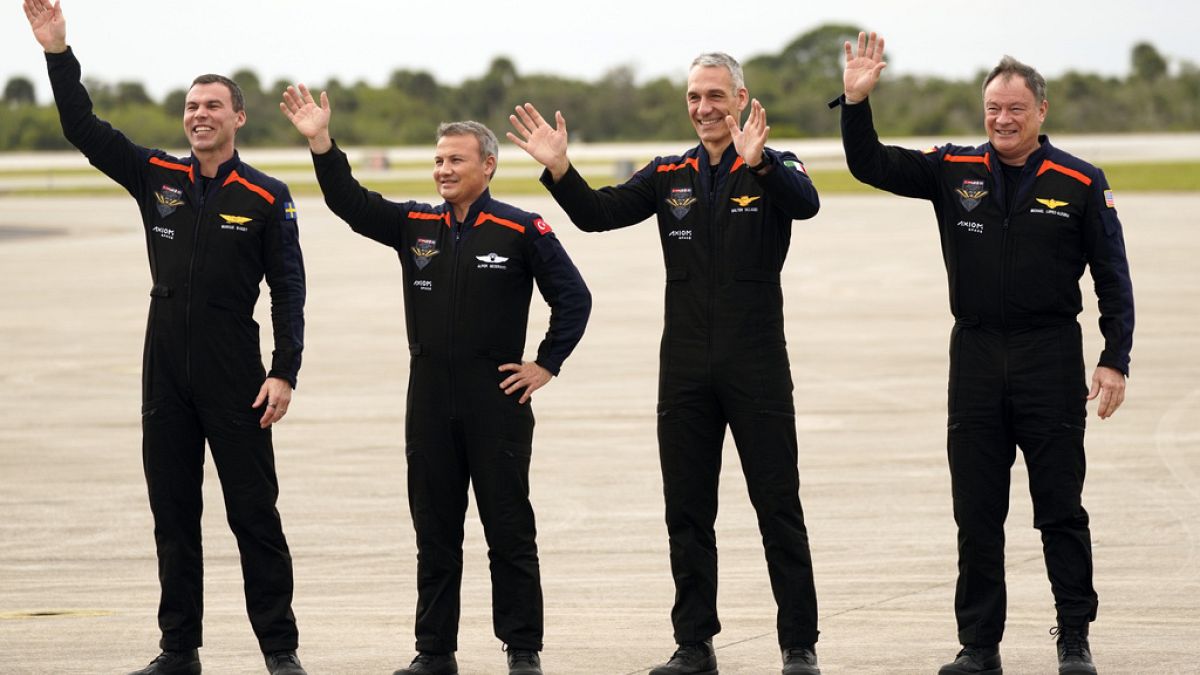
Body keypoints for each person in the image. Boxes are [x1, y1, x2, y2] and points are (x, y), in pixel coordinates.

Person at [507, 52, 822, 675]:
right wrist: (561, 169)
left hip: (755, 362)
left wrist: (758, 160)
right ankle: (695, 643)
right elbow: (597, 216)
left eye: (715, 96)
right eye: (694, 97)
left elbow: (806, 204)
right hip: (683, 365)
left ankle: (799, 645)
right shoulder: (669, 172)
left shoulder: (774, 164)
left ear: (740, 97)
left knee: (777, 505)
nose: (704, 108)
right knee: (686, 510)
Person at [22, 1, 309, 674]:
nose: (200, 115)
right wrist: (58, 52)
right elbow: (82, 127)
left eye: (213, 105)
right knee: (173, 518)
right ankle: (179, 650)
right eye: (191, 106)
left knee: (254, 517)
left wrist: (284, 369)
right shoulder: (158, 176)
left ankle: (280, 651)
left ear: (239, 116)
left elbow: (289, 289)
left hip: (235, 369)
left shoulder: (267, 196)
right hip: (165, 369)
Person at [834, 32, 1134, 675]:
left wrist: (1115, 357)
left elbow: (1113, 275)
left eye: (1015, 109)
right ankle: (979, 646)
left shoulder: (1081, 181)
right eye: (993, 108)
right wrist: (857, 102)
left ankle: (1075, 636)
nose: (1001, 119)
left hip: (1048, 356)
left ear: (1041, 112)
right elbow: (872, 166)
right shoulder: (954, 170)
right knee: (977, 513)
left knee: (1060, 507)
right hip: (974, 355)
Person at [280, 84, 590, 675]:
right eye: (439, 160)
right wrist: (321, 141)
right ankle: (435, 653)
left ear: (488, 165)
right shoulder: (415, 224)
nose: (443, 170)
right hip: (427, 395)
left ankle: (522, 650)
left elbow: (574, 299)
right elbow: (349, 201)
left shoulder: (523, 228)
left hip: (495, 396)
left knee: (509, 529)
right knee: (436, 532)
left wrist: (545, 364)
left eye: (456, 160)